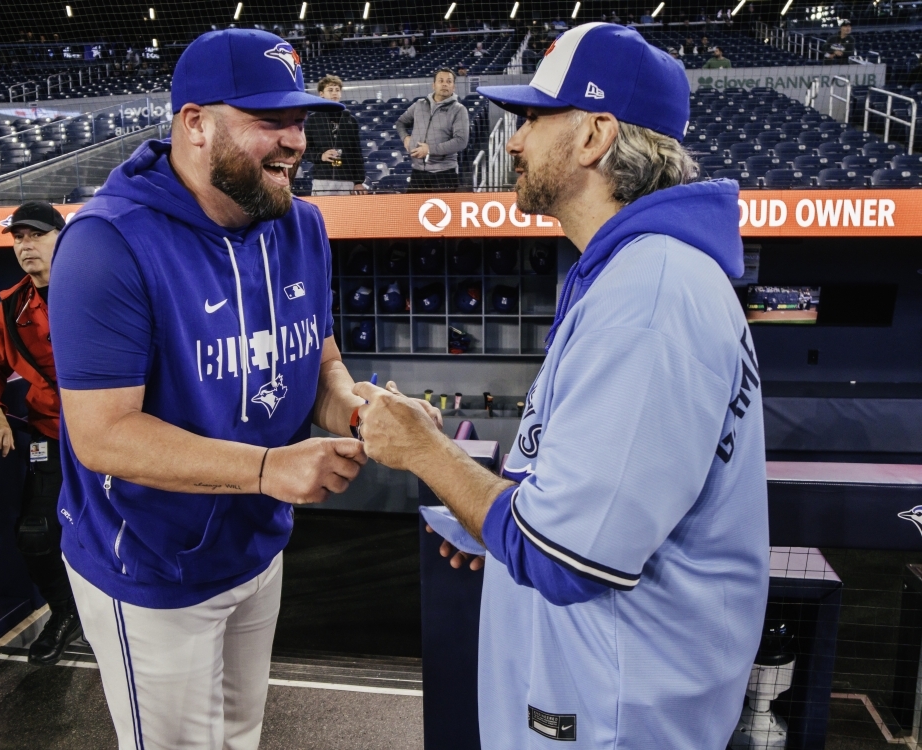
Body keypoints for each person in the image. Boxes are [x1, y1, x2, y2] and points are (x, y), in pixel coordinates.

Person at [352, 22, 768, 748]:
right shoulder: (636, 273)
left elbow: (561, 556)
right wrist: (487, 519)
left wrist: (428, 454)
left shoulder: (652, 294)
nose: (513, 141)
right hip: (599, 689)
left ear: (594, 136)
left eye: (534, 119)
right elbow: (582, 510)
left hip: (613, 711)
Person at [48, 29, 442, 749]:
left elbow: (319, 361)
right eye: (269, 121)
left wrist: (361, 409)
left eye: (297, 120)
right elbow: (103, 435)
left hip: (257, 545)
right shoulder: (107, 243)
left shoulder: (300, 223)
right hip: (151, 564)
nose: (295, 139)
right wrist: (267, 469)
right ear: (195, 124)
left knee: (241, 736)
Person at [0, 202, 81, 667]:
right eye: (18, 237)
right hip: (50, 435)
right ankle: (65, 613)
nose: (25, 245)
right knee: (35, 534)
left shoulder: (97, 286)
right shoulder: (12, 306)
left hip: (114, 432)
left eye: (36, 235)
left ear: (62, 237)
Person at [396, 67, 470, 192]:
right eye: (441, 81)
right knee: (413, 210)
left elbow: (461, 141)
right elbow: (400, 122)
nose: (445, 84)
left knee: (443, 211)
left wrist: (429, 149)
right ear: (433, 85)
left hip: (444, 173)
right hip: (418, 172)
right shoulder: (419, 104)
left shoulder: (459, 109)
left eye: (449, 81)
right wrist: (405, 137)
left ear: (454, 87)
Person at [305, 75, 367, 195]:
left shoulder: (350, 120)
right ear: (321, 94)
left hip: (346, 179)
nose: (334, 93)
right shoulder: (313, 120)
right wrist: (321, 156)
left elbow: (357, 152)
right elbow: (305, 150)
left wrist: (358, 181)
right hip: (322, 179)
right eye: (330, 90)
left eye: (337, 90)